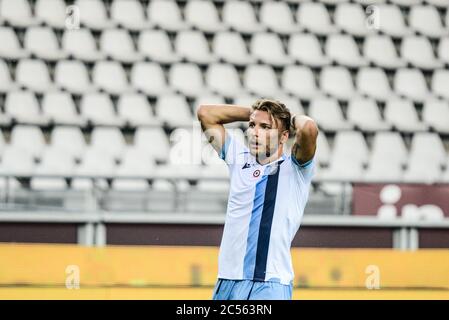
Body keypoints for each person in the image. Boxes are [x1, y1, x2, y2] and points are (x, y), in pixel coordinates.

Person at [197, 99, 318, 300]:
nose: (254, 132)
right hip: (228, 280)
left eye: (265, 127)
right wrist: (254, 114)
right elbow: (205, 113)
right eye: (252, 126)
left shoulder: (295, 168)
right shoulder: (239, 158)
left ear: (284, 136)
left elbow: (308, 128)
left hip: (269, 285)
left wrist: (285, 118)